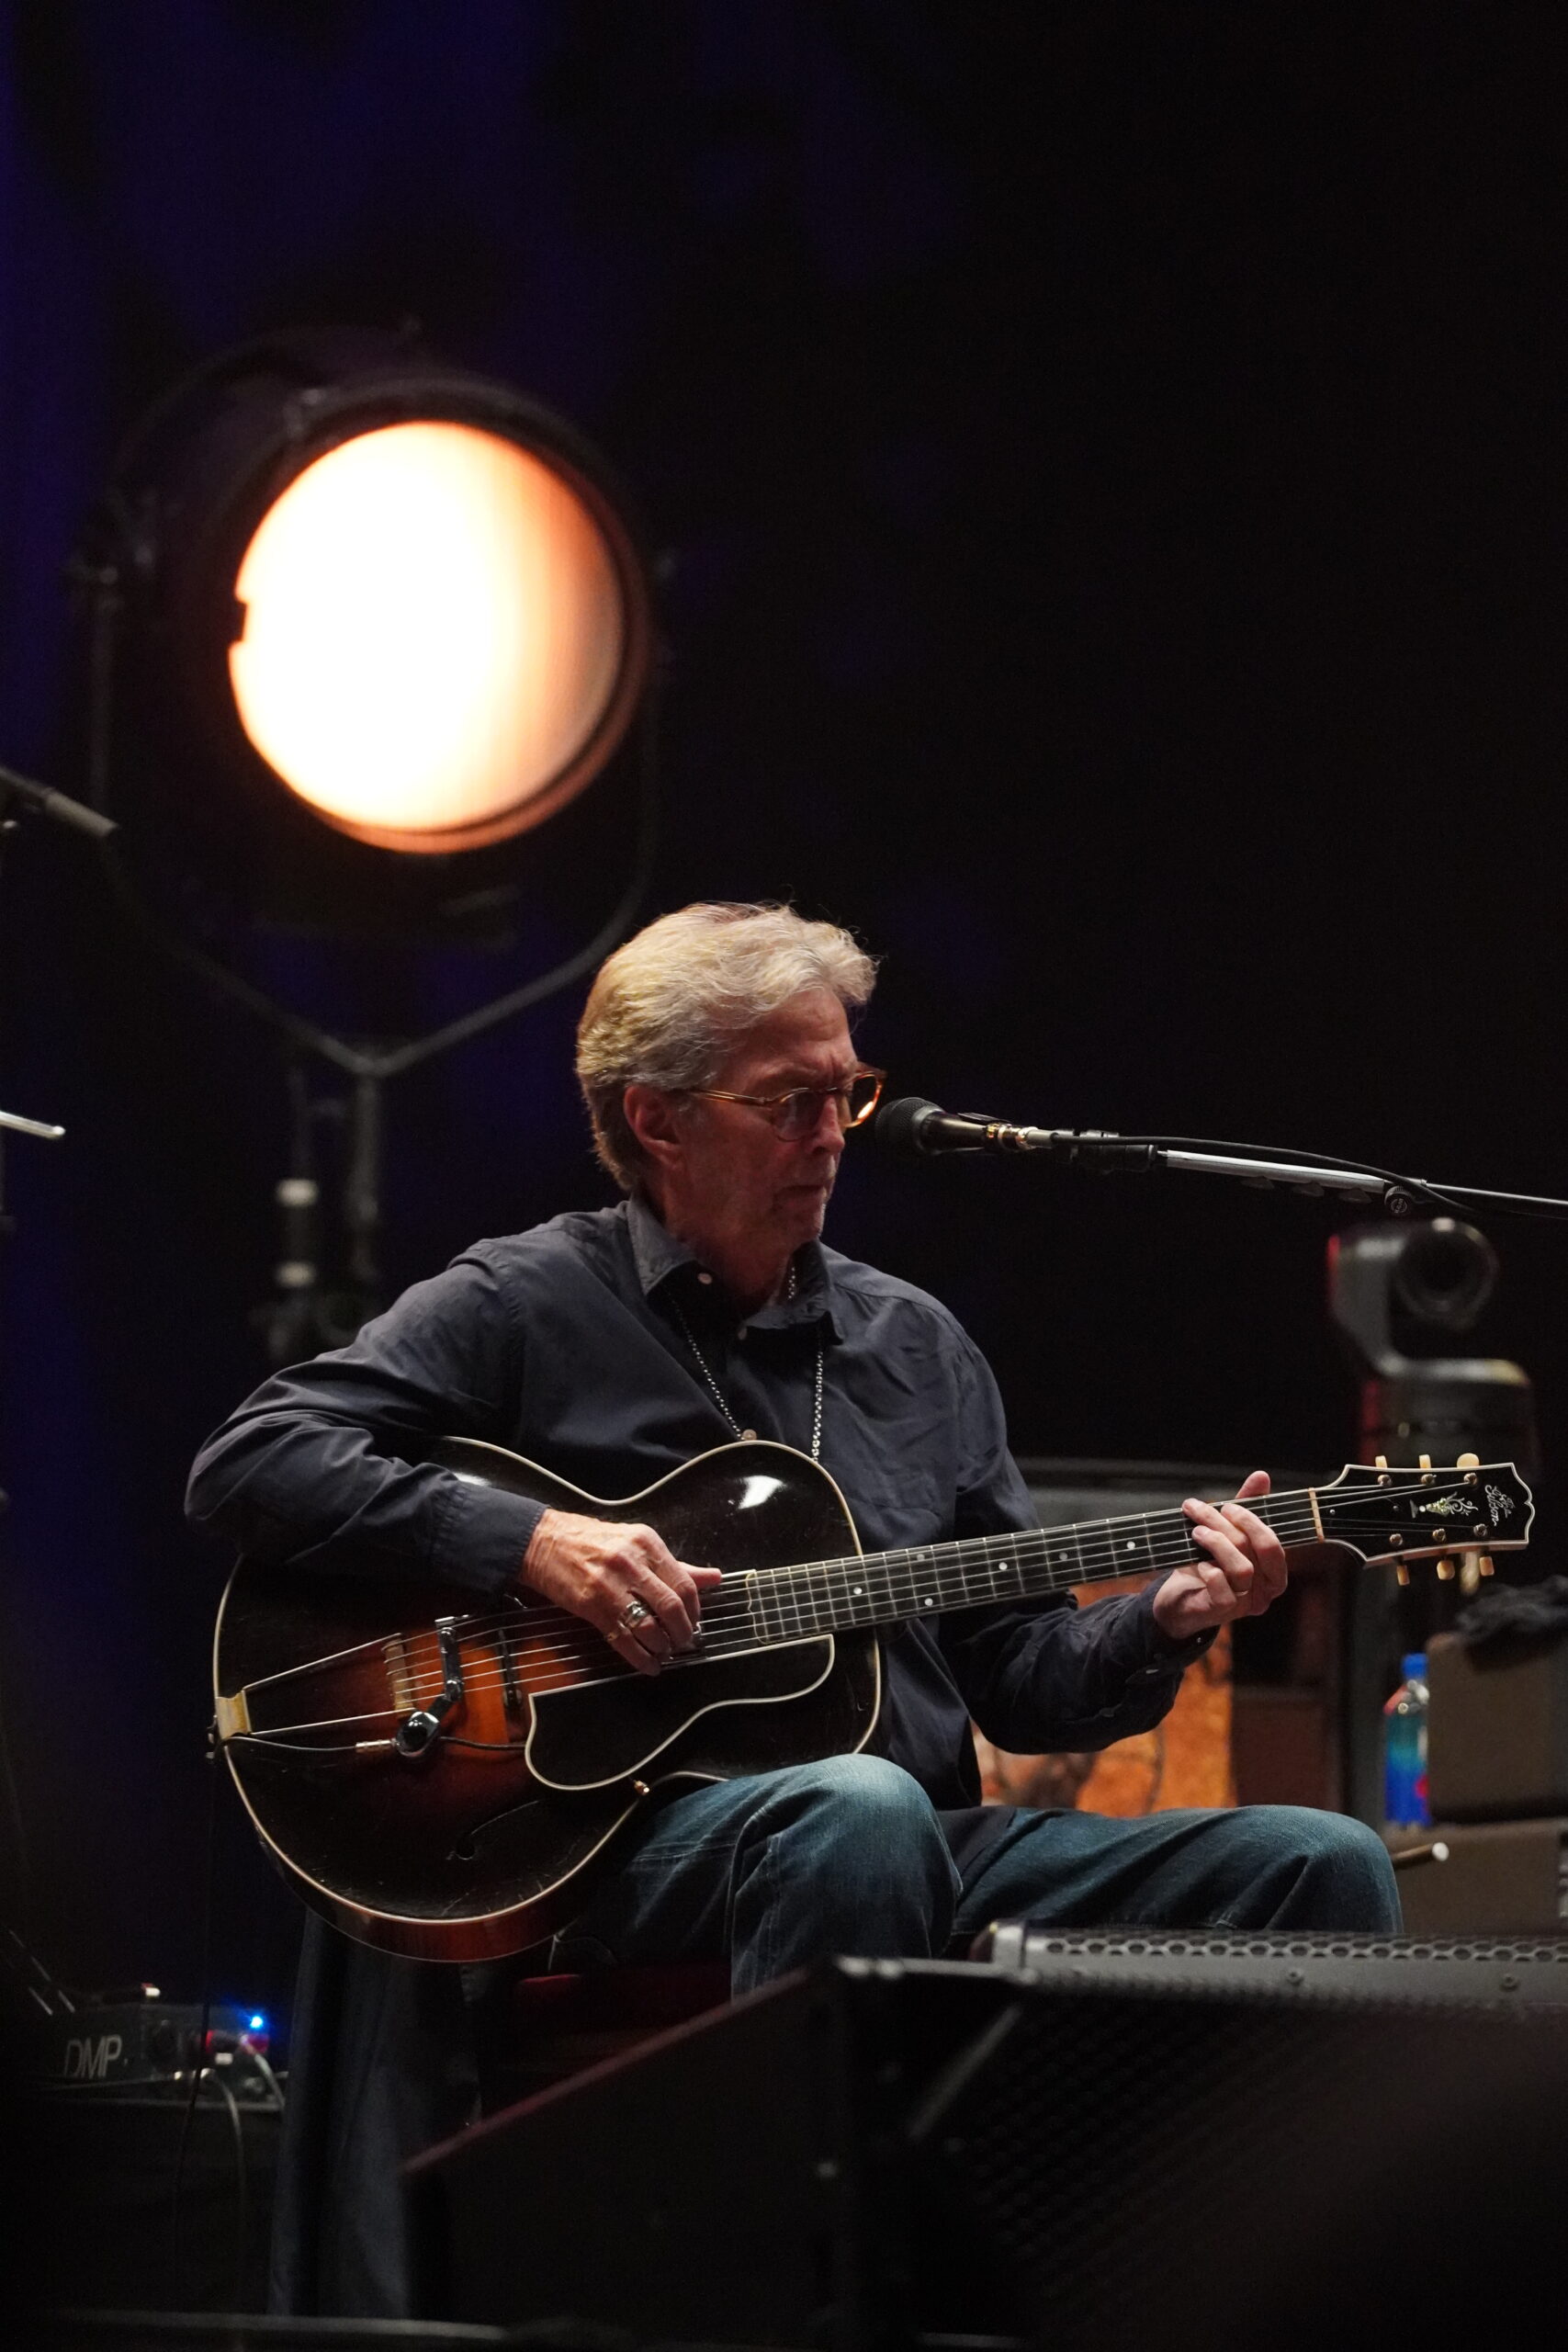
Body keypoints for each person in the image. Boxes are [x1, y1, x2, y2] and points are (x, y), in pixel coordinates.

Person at [187, 900, 1398, 2315]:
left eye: (850, 1093)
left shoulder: (915, 1346)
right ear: (656, 1120)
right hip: (629, 1849)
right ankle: (812, 2310)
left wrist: (1165, 1618)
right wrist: (537, 1545)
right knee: (854, 1812)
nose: (834, 1136)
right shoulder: (527, 1299)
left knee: (1319, 1863)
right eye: (790, 1102)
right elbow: (253, 1460)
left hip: (917, 1836)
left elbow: (1017, 1678)